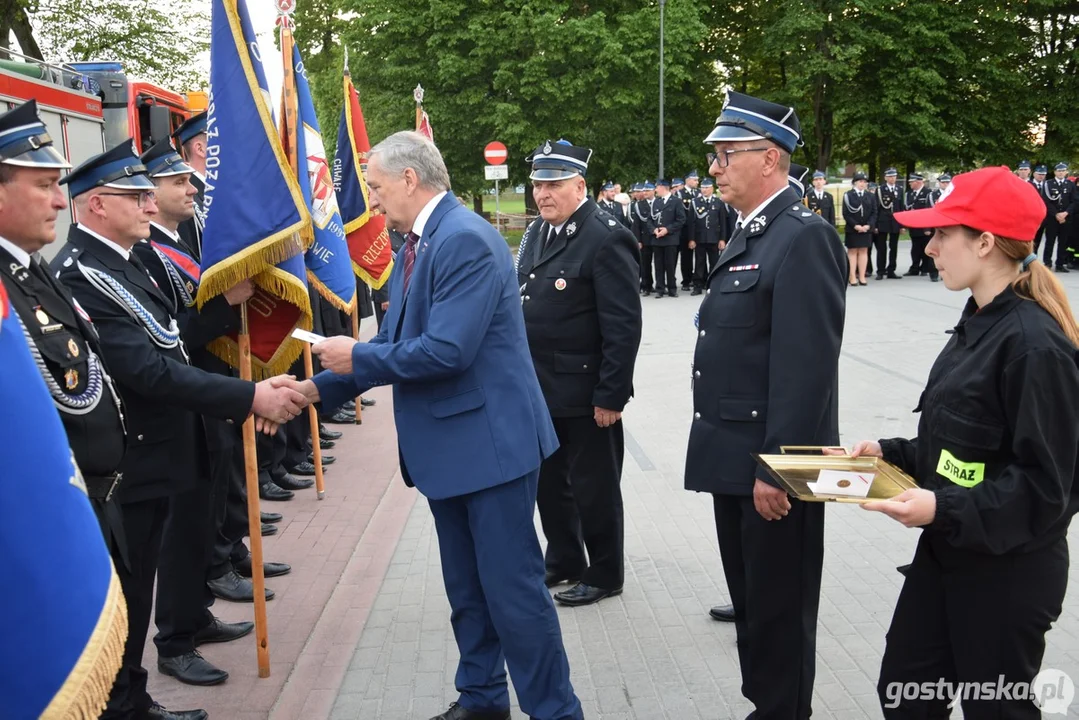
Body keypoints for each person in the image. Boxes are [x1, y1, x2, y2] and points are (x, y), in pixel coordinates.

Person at [291, 131, 583, 720]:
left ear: (408, 179)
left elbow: (446, 350)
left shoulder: (463, 241)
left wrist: (356, 356)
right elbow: (398, 342)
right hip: (453, 451)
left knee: (513, 595)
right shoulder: (418, 242)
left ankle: (555, 711)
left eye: (374, 187)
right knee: (468, 594)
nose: (370, 201)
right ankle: (481, 699)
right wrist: (310, 391)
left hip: (490, 450)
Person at [52, 142, 306, 717]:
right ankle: (132, 694)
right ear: (95, 205)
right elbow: (145, 369)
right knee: (136, 586)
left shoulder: (123, 259)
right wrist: (248, 396)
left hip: (175, 434)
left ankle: (147, 677)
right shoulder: (84, 271)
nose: (148, 204)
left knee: (163, 561)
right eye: (135, 195)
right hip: (136, 455)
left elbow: (168, 339)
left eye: (148, 194)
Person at [836, 166, 1079, 718]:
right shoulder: (978, 321)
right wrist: (889, 453)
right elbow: (962, 449)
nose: (932, 244)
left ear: (987, 243)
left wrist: (939, 506)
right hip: (949, 550)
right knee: (904, 694)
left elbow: (1046, 487)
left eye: (944, 232)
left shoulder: (1032, 345)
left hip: (1006, 571)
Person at [688, 90, 846, 720]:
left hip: (772, 467)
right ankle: (766, 704)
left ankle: (783, 710)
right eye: (716, 156)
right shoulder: (755, 232)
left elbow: (805, 371)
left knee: (780, 605)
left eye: (727, 154)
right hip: (738, 457)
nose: (716, 167)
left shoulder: (802, 237)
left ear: (772, 159)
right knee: (752, 598)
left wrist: (777, 466)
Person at [515, 139, 642, 606]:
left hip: (589, 395)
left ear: (580, 185)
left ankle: (606, 572)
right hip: (542, 390)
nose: (542, 194)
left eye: (553, 184)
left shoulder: (606, 235)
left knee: (595, 489)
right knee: (551, 486)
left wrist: (612, 394)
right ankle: (564, 561)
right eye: (537, 184)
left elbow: (624, 326)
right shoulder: (536, 233)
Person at [0, 275, 130, 720]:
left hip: (102, 490)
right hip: (58, 504)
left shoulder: (38, 277)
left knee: (115, 629)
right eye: (136, 197)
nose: (58, 200)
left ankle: (131, 703)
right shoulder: (29, 286)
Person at [688, 177, 728, 295]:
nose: (704, 190)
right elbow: (691, 223)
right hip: (699, 238)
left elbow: (723, 223)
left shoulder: (718, 202)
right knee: (699, 262)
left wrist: (722, 239)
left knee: (714, 262)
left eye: (706, 188)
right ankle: (698, 285)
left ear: (712, 188)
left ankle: (713, 285)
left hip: (714, 238)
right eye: (702, 188)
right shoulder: (695, 202)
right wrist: (691, 239)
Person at [651, 178, 685, 297]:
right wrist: (653, 229)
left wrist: (667, 229)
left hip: (670, 239)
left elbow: (681, 219)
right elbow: (650, 219)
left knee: (670, 265)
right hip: (657, 238)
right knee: (658, 266)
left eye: (657, 187)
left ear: (663, 187)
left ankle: (672, 288)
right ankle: (660, 288)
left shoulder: (676, 201)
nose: (655, 190)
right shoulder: (656, 202)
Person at [1040, 162, 1076, 272]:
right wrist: (1056, 214)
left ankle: (1060, 264)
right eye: (1059, 171)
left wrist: (1066, 213)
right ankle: (1047, 263)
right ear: (1055, 172)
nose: (1061, 173)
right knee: (1049, 242)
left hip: (1066, 219)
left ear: (1066, 172)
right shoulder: (1048, 184)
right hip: (1052, 218)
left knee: (1063, 242)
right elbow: (1046, 201)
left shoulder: (1070, 184)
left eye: (1063, 171)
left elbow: (1074, 201)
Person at [843, 171, 877, 285]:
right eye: (860, 181)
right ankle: (852, 276)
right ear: (854, 183)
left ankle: (862, 276)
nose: (862, 184)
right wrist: (856, 226)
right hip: (853, 228)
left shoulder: (870, 196)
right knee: (852, 251)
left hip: (866, 228)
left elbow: (874, 212)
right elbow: (846, 213)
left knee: (864, 251)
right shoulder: (848, 195)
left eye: (864, 182)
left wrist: (868, 225)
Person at [902, 173, 939, 281]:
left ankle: (925, 268)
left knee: (925, 247)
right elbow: (907, 208)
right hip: (914, 225)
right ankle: (914, 267)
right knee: (915, 248)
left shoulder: (928, 193)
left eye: (911, 182)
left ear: (918, 182)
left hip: (924, 225)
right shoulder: (909, 194)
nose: (910, 184)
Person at [875, 168, 903, 279]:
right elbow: (877, 208)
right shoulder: (880, 189)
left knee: (894, 247)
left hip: (895, 222)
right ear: (886, 177)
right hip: (883, 222)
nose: (892, 178)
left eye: (894, 176)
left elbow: (901, 208)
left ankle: (891, 270)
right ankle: (880, 271)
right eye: (890, 176)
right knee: (881, 247)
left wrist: (902, 225)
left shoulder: (899, 189)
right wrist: (876, 225)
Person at [631, 181, 656, 295]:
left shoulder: (658, 202)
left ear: (653, 191)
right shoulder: (639, 205)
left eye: (647, 190)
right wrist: (638, 240)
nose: (644, 192)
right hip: (645, 238)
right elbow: (636, 224)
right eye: (643, 190)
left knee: (661, 264)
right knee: (645, 264)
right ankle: (647, 286)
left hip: (658, 237)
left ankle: (661, 284)